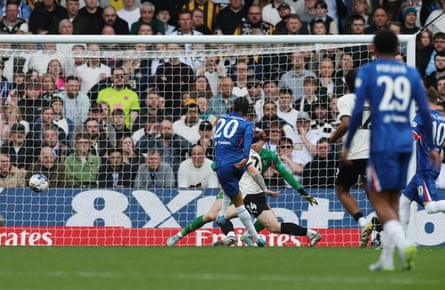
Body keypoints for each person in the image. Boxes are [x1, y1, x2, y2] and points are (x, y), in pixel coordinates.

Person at [342, 30, 440, 271]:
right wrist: (434, 147)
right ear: (398, 49)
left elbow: (356, 113)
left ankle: (404, 244)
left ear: (373, 48)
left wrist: (347, 143)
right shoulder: (410, 72)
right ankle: (386, 259)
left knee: (379, 200)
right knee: (396, 201)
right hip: (405, 142)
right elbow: (426, 112)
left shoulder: (368, 71)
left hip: (382, 142)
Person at [166, 130, 318, 246]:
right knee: (211, 216)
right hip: (233, 189)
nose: (251, 145)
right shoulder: (239, 154)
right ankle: (179, 235)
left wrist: (301, 191)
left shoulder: (269, 156)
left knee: (272, 225)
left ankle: (245, 236)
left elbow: (285, 173)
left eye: (254, 142)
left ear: (262, 143)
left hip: (251, 192)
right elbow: (214, 165)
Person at [329, 69, 374, 248]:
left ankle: (363, 223)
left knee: (342, 190)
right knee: (373, 194)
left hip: (354, 153)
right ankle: (380, 227)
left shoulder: (346, 99)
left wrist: (331, 138)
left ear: (346, 84)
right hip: (373, 153)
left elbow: (347, 123)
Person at [399, 95, 445, 234]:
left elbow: (412, 136)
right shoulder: (443, 119)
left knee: (430, 207)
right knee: (404, 200)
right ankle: (399, 240)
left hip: (425, 169)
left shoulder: (422, 116)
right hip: (432, 167)